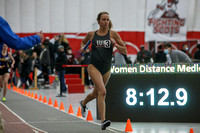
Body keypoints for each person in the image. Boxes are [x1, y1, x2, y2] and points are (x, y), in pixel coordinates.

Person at [79, 11, 127, 130]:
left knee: (96, 93)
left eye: (107, 19)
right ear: (98, 21)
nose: (106, 21)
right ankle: (103, 120)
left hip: (106, 68)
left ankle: (83, 103)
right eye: (103, 19)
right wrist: (82, 48)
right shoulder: (91, 34)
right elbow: (83, 42)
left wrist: (115, 45)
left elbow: (125, 50)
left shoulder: (113, 34)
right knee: (103, 91)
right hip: (94, 66)